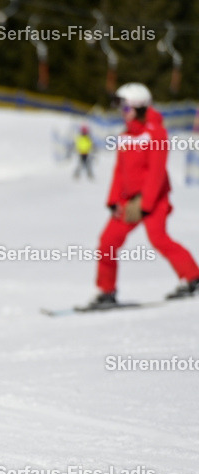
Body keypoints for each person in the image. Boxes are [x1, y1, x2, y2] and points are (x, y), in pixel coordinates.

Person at [86, 83, 199, 308]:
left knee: (158, 238)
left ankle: (193, 277)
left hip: (154, 200)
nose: (123, 114)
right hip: (129, 201)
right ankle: (106, 291)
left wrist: (146, 205)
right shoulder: (125, 136)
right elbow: (120, 172)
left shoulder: (156, 133)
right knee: (108, 241)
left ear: (139, 108)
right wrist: (113, 201)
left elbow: (157, 173)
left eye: (126, 109)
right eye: (122, 109)